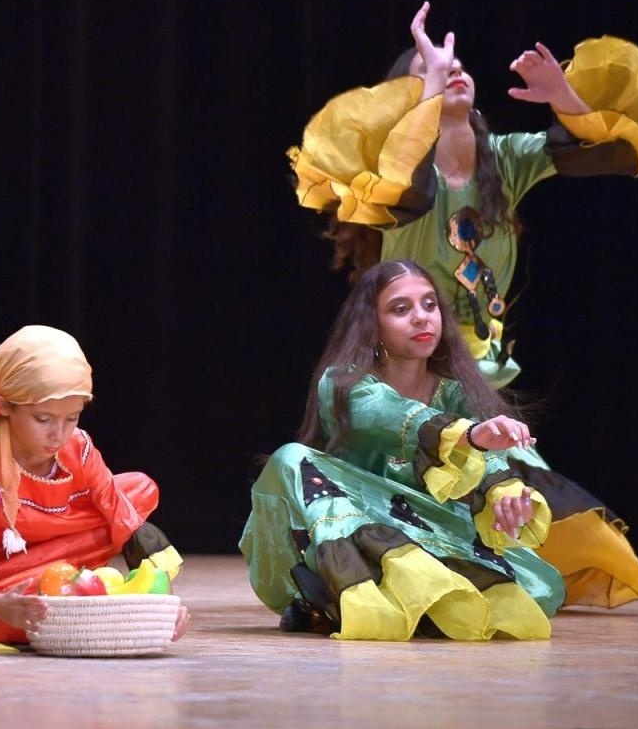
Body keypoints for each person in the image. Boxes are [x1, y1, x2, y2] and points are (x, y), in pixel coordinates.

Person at [285, 2, 638, 606]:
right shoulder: (399, 174)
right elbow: (400, 172)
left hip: (478, 371)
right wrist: (426, 87)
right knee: (434, 492)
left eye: (455, 66)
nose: (451, 70)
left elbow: (612, 148)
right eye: (431, 70)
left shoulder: (504, 160)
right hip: (410, 377)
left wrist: (563, 97)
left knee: (564, 530)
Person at [240, 260, 562, 641]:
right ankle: (356, 594)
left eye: (429, 304)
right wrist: (468, 436)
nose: (421, 317)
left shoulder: (458, 393)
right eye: (401, 308)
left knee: (541, 584)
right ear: (372, 325)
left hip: (425, 529)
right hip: (354, 522)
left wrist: (504, 497)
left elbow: (490, 460)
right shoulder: (343, 384)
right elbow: (385, 414)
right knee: (290, 460)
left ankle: (403, 602)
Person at [0, 325, 185, 653]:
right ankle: (69, 599)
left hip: (57, 558)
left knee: (137, 490)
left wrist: (164, 603)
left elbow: (125, 520)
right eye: (44, 419)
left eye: (71, 418)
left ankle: (69, 593)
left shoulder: (79, 447)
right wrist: (2, 605)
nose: (58, 435)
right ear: (4, 405)